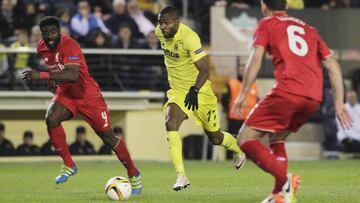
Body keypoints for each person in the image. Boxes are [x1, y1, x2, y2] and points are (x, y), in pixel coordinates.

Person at [232, 1, 352, 202]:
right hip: (313, 98)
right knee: (277, 138)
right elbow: (332, 64)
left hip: (288, 92)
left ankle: (285, 180)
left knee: (244, 139)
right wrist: (339, 104)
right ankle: (279, 195)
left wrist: (244, 92)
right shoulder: (309, 29)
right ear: (286, 4)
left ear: (263, 5)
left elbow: (255, 58)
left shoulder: (267, 23)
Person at [21, 16, 142, 194]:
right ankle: (69, 164)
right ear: (42, 34)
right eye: (45, 33)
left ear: (59, 31)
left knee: (108, 138)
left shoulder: (70, 45)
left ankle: (133, 172)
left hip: (88, 95)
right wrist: (51, 79)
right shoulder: (41, 47)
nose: (49, 35)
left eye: (53, 31)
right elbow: (55, 66)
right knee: (51, 119)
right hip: (67, 93)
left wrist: (42, 76)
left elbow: (73, 75)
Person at [156, 7, 246, 191]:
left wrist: (195, 90)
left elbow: (205, 68)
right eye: (160, 23)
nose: (162, 27)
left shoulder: (190, 37)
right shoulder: (160, 33)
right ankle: (181, 176)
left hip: (200, 92)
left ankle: (239, 149)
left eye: (166, 23)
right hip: (178, 92)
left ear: (177, 22)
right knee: (170, 122)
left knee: (215, 137)